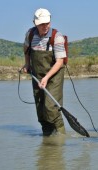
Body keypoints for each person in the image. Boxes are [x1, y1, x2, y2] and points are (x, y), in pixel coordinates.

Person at [23, 8, 66, 136]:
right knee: (40, 109)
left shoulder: (57, 37)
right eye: (42, 24)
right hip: (37, 74)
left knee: (50, 107)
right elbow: (26, 48)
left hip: (54, 76)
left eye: (47, 23)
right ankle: (47, 138)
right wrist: (27, 64)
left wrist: (46, 78)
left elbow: (60, 62)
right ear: (35, 23)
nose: (45, 26)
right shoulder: (30, 34)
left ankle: (61, 136)